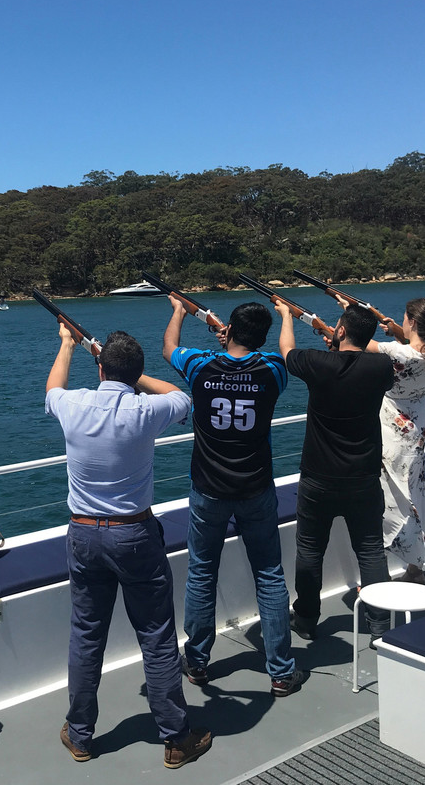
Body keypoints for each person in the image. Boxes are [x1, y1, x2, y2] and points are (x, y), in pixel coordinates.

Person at [45, 325, 212, 769]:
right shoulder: (146, 410)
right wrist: (132, 378)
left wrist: (67, 343)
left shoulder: (74, 404)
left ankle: (80, 734)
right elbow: (181, 395)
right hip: (134, 535)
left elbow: (52, 388)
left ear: (99, 368)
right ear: (135, 374)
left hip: (83, 534)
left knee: (86, 634)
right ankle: (176, 739)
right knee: (156, 638)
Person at [162, 298, 304, 697]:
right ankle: (280, 671)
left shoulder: (202, 366)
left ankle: (197, 661)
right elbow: (285, 353)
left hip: (208, 488)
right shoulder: (273, 371)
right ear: (260, 337)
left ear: (230, 332)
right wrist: (285, 318)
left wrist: (178, 310)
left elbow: (169, 348)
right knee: (270, 575)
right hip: (256, 487)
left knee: (202, 571)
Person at [275, 301, 395, 643]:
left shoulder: (318, 363)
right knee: (370, 550)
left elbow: (287, 351)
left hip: (318, 477)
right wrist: (338, 342)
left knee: (310, 551)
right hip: (364, 476)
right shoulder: (381, 366)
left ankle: (308, 619)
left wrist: (286, 315)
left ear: (340, 331)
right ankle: (380, 625)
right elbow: (360, 359)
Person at [344, 297, 425, 585]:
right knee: (412, 497)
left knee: (383, 501)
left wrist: (350, 313)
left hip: (390, 432)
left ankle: (376, 576)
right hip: (415, 432)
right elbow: (408, 347)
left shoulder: (397, 351)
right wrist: (395, 329)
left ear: (413, 322)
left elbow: (355, 342)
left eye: (404, 319)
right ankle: (415, 568)